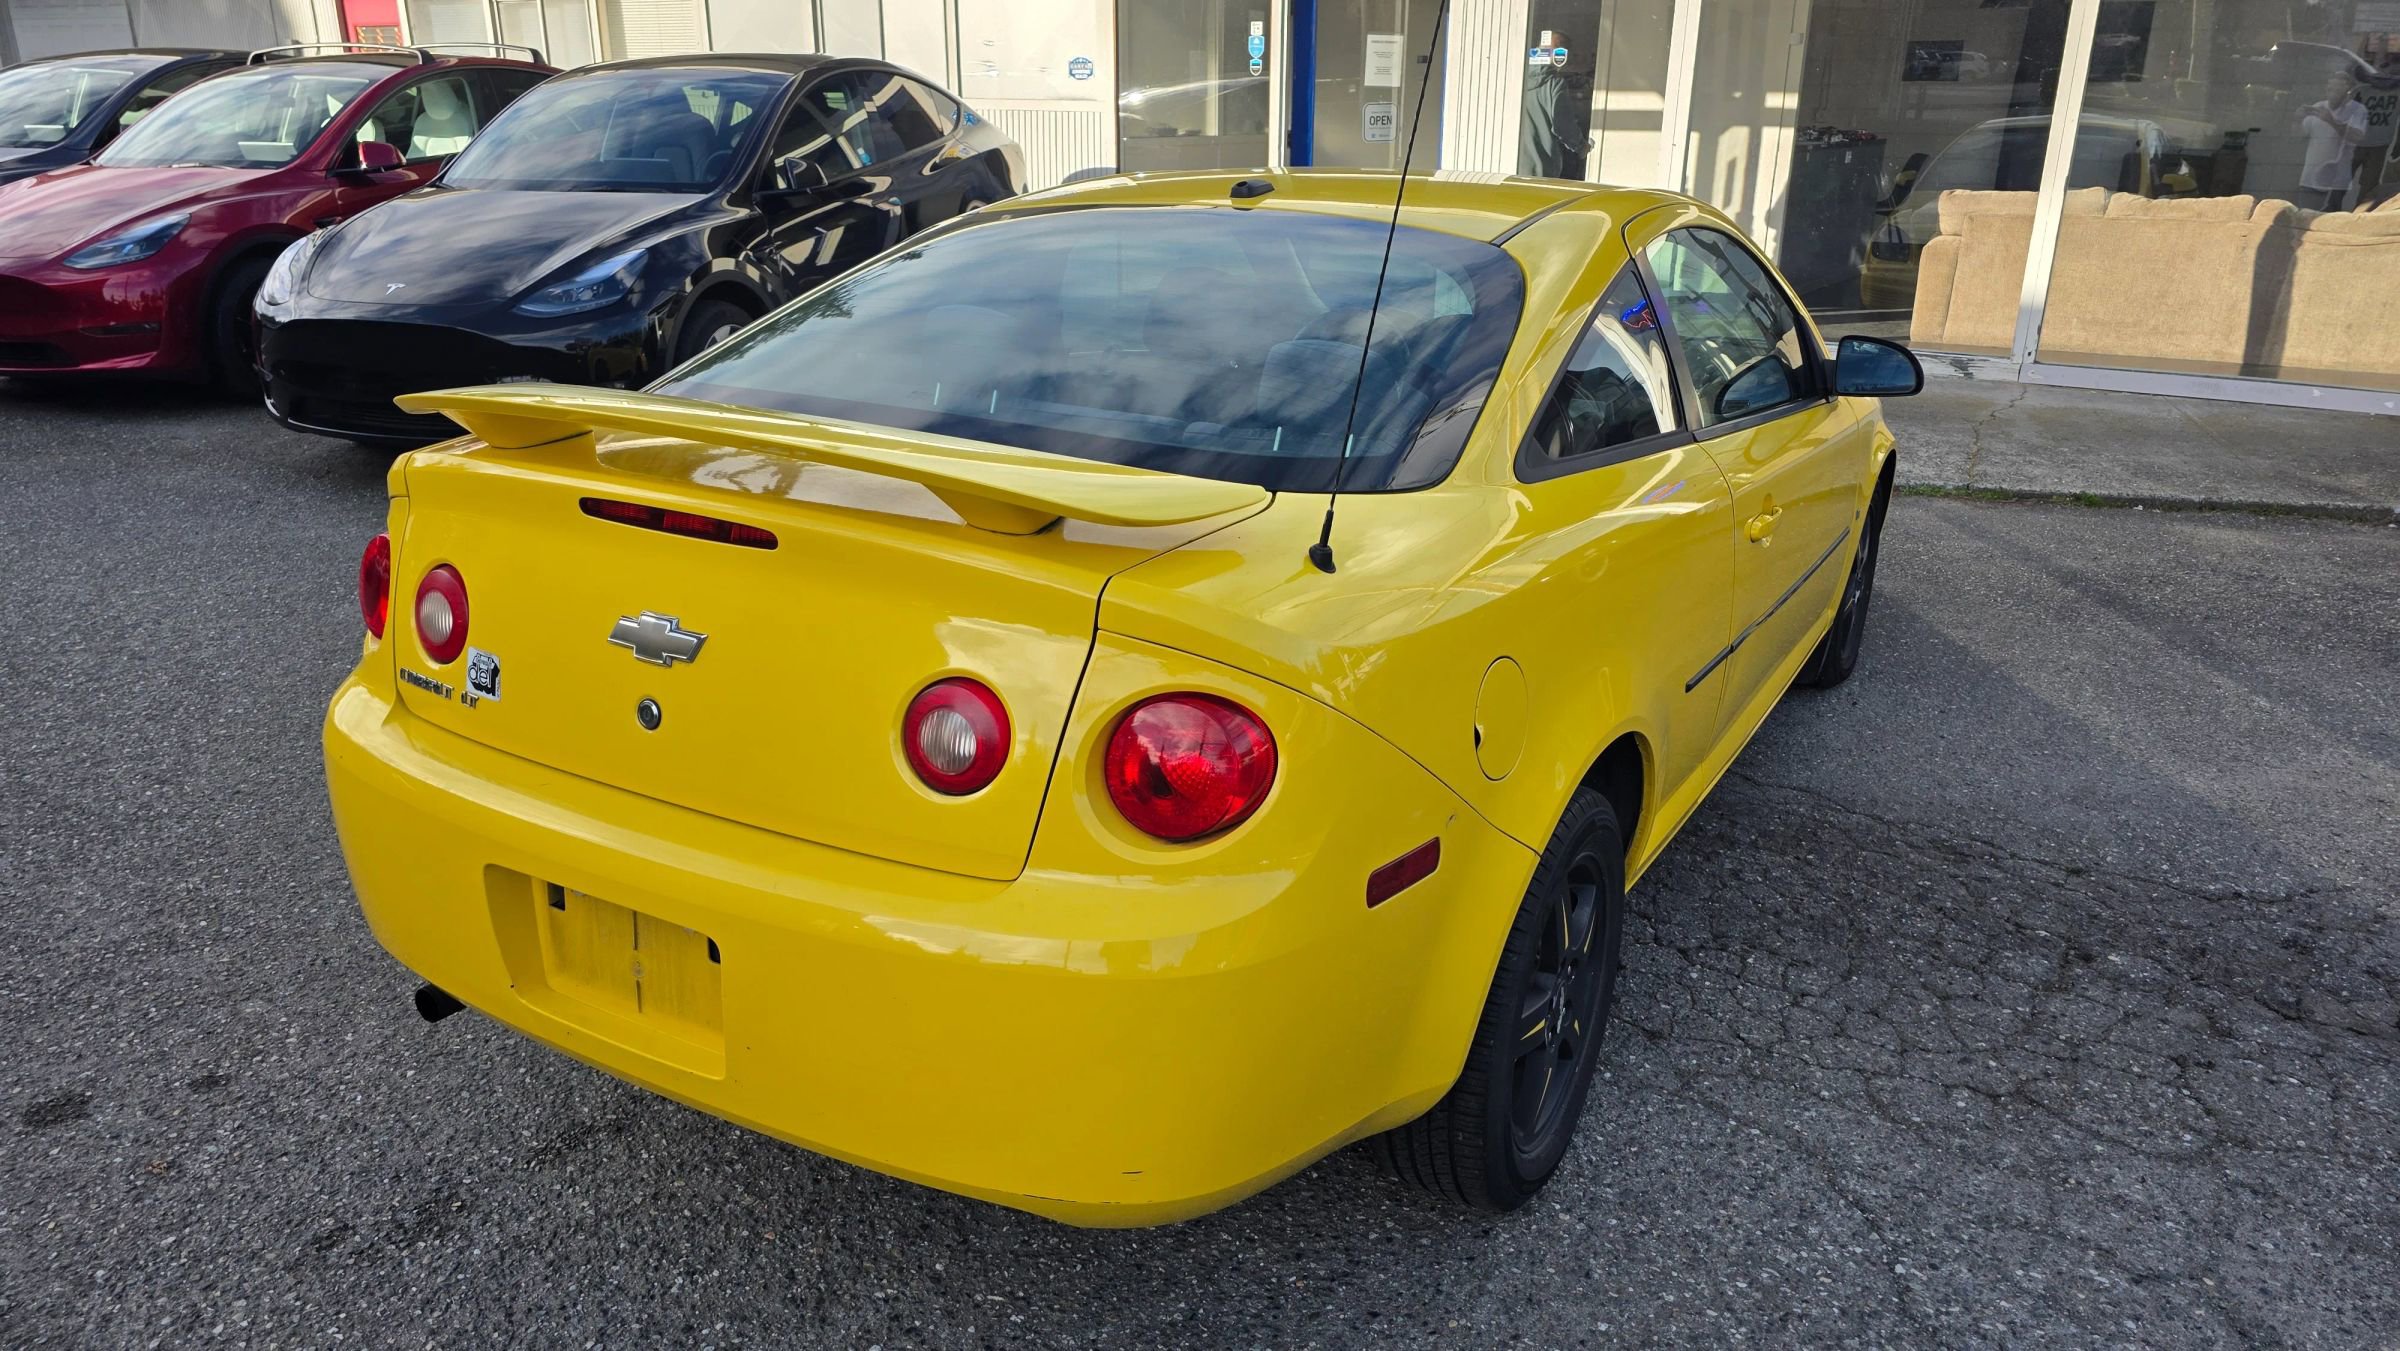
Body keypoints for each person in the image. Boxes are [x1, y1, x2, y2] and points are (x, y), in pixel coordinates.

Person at [2299, 74, 2368, 210]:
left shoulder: (2357, 110)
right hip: (2309, 177)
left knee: (2328, 221)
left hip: (2336, 181)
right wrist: (2296, 119)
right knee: (2304, 218)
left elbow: (2358, 137)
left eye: (2338, 90)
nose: (2332, 93)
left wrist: (2331, 121)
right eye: (2330, 89)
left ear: (2349, 92)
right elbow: (2300, 135)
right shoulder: (2318, 106)